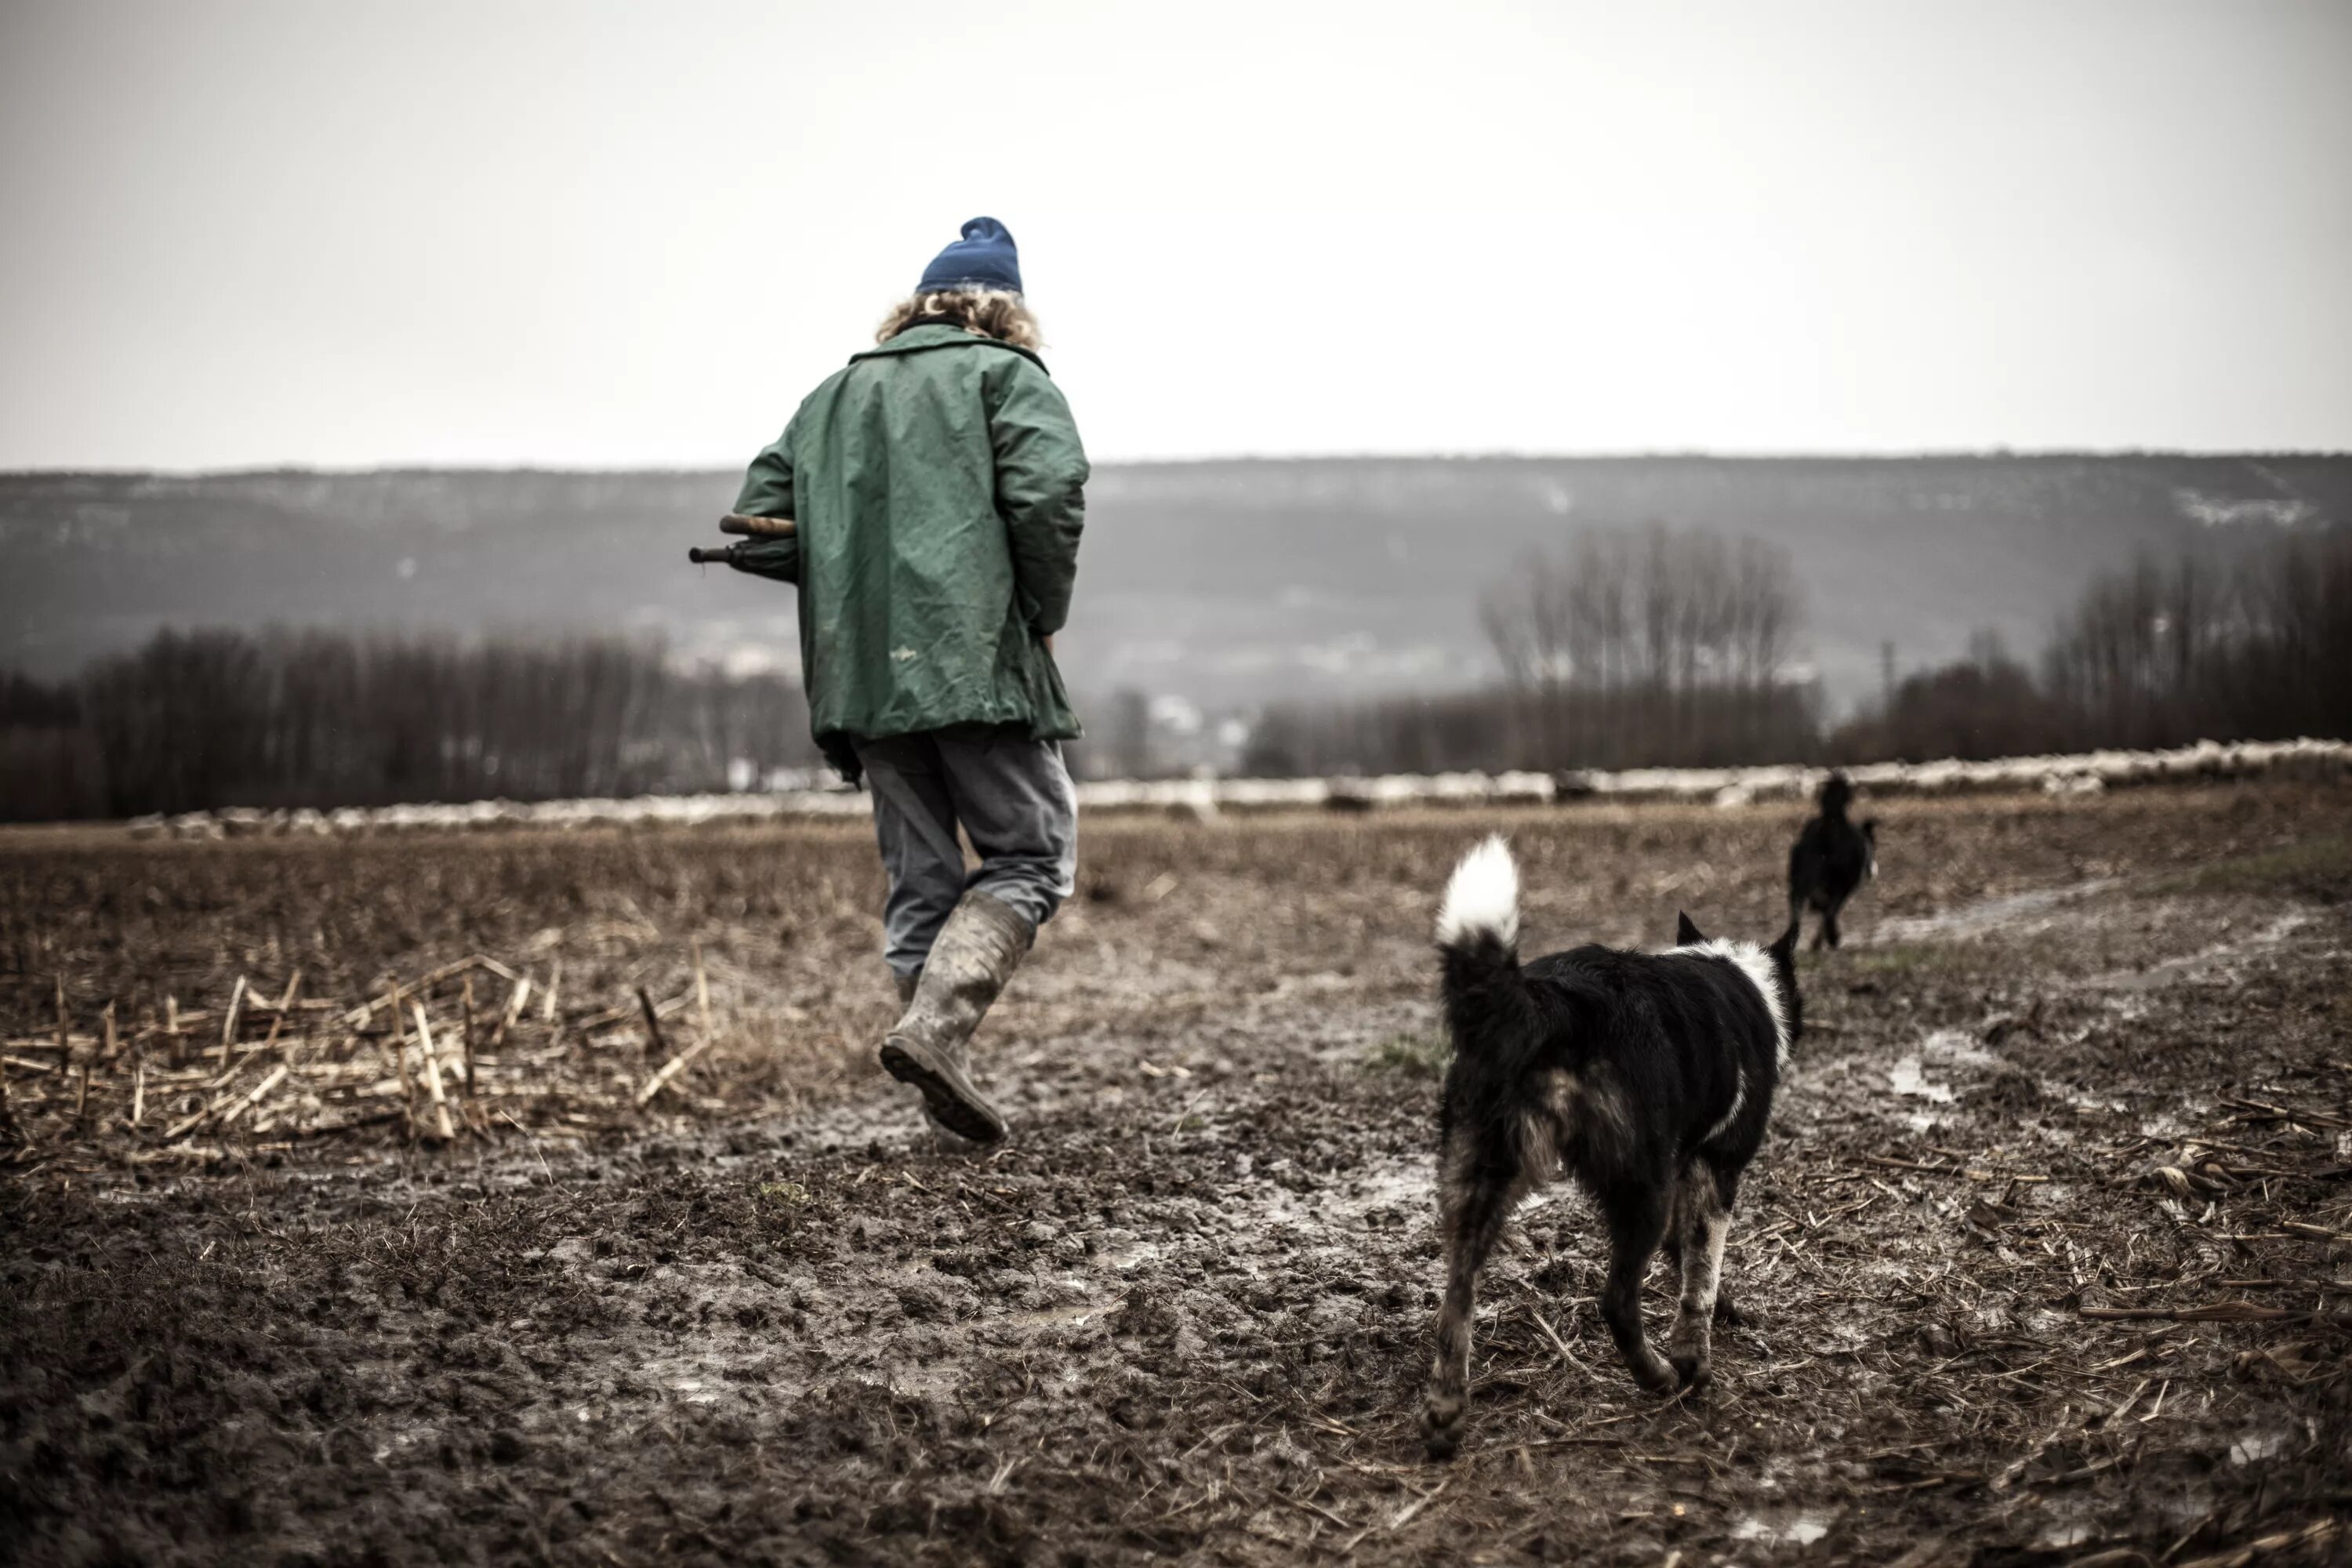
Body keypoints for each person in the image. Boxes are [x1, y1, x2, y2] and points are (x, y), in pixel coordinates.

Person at [728, 216, 1088, 1145]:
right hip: (974, 667)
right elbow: (1048, 497)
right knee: (1032, 855)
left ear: (916, 306)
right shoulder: (1008, 378)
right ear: (1002, 311)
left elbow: (760, 525)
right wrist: (1043, 615)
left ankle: (939, 1096)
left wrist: (852, 560)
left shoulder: (830, 397)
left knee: (922, 878)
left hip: (862, 682)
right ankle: (934, 1031)